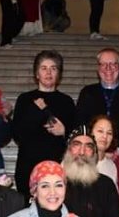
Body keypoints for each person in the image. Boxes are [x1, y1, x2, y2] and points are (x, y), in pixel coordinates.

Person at [11, 50, 76, 197]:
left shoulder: (66, 101)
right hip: (28, 166)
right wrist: (36, 111)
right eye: (44, 68)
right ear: (37, 73)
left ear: (59, 74)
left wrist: (64, 131)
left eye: (53, 68)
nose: (48, 72)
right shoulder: (25, 99)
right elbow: (17, 134)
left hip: (58, 165)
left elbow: (76, 136)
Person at [74, 48, 119, 148]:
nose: (108, 68)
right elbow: (80, 124)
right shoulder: (87, 93)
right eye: (103, 64)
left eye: (113, 64)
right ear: (98, 68)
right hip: (92, 150)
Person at [91, 114, 119, 185]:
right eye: (100, 131)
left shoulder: (112, 167)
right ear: (90, 133)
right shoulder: (77, 162)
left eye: (109, 133)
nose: (105, 136)